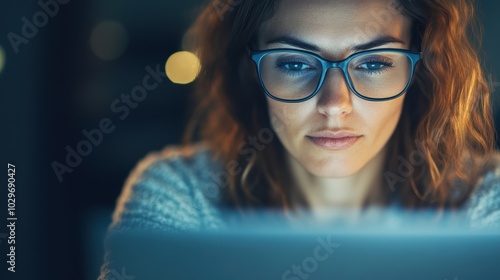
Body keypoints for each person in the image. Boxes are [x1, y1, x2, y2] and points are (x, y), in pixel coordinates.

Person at [98, 0, 500, 278]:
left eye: (375, 62)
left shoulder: (486, 203)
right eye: (294, 63)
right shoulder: (180, 197)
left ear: (421, 71)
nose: (335, 104)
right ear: (250, 70)